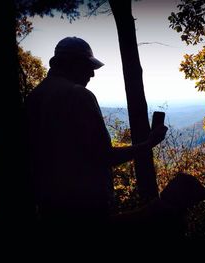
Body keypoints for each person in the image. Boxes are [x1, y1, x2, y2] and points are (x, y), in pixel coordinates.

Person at [25, 37, 168, 233]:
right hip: (85, 208)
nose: (92, 74)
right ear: (72, 64)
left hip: (49, 207)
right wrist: (148, 144)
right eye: (87, 66)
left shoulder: (34, 97)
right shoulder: (78, 95)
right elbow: (104, 156)